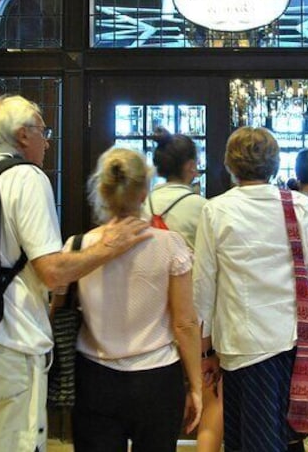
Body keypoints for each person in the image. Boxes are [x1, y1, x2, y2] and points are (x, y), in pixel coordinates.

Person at [0, 95, 150, 452]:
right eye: (43, 131)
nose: (48, 140)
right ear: (23, 135)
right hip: (9, 347)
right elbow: (53, 273)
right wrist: (109, 247)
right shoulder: (26, 178)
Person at [194, 126, 308, 452]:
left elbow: (202, 290)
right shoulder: (297, 205)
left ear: (230, 163)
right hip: (292, 342)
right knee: (286, 437)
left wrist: (205, 352)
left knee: (247, 437)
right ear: (274, 164)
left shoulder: (215, 210)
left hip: (239, 343)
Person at [72, 147, 203, 452]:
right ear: (145, 192)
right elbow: (184, 322)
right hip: (157, 377)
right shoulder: (170, 246)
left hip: (95, 375)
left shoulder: (78, 247)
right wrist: (195, 385)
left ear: (102, 192)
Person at [143, 128, 221, 452]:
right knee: (210, 396)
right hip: (192, 314)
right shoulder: (203, 207)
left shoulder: (140, 204)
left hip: (147, 313)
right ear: (190, 166)